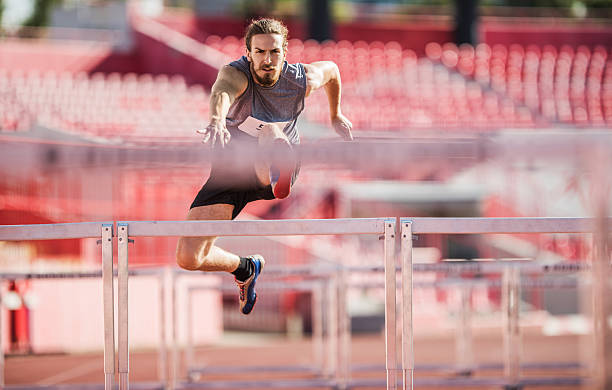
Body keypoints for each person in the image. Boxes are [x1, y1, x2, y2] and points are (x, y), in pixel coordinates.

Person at [175, 18, 353, 315]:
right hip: (231, 173)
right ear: (248, 53)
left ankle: (278, 164)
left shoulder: (301, 79)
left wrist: (336, 114)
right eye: (260, 53)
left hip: (276, 168)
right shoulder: (236, 74)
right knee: (189, 257)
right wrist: (217, 121)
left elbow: (332, 71)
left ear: (285, 53)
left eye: (274, 53)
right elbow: (222, 93)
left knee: (270, 132)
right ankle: (246, 267)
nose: (267, 60)